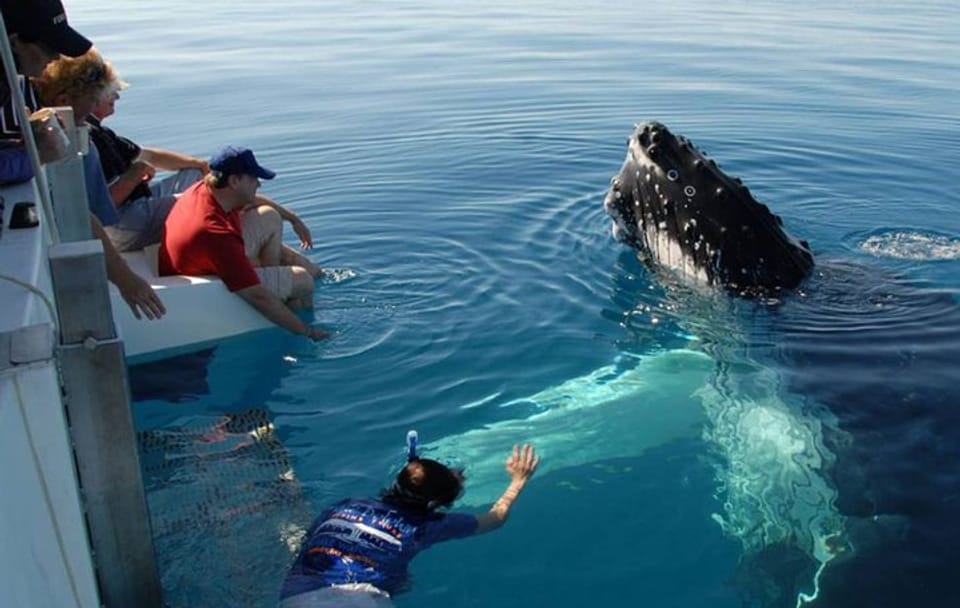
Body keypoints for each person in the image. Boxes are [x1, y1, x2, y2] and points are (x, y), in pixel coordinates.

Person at [0, 0, 165, 320]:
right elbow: (73, 206)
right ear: (15, 42)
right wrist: (34, 155)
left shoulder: (16, 87)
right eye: (49, 47)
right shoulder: (10, 93)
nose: (55, 58)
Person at [280, 437, 540, 607]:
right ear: (435, 504)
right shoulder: (425, 527)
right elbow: (496, 518)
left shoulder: (344, 505)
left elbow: (308, 542)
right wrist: (518, 481)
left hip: (296, 596)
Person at [34, 48, 208, 251]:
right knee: (210, 196)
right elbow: (100, 209)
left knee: (197, 175)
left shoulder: (91, 130)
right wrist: (134, 175)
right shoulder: (77, 144)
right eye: (96, 97)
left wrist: (199, 164)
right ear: (64, 101)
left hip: (134, 205)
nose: (114, 97)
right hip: (119, 225)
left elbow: (147, 155)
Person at [159, 146, 326, 340]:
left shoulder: (207, 188)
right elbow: (257, 296)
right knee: (303, 280)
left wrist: (293, 219)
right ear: (234, 181)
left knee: (271, 218)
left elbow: (252, 200)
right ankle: (291, 321)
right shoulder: (215, 233)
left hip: (208, 255)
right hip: (202, 278)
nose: (259, 184)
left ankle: (277, 283)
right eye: (254, 178)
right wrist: (308, 332)